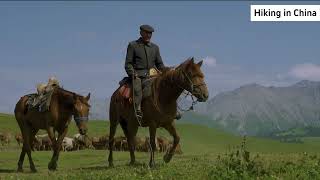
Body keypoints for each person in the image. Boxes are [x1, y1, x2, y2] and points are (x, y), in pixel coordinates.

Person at [124, 24, 167, 120]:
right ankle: (137, 110)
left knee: (167, 86)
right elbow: (128, 64)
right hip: (138, 76)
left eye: (150, 33)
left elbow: (160, 64)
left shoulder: (155, 48)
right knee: (137, 87)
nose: (149, 35)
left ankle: (170, 110)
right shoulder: (133, 45)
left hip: (153, 76)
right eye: (146, 33)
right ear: (141, 33)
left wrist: (167, 71)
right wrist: (132, 73)